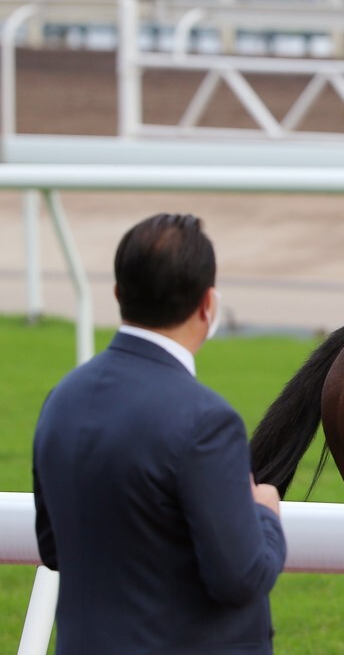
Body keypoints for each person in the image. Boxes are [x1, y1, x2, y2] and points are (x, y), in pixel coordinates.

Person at [32, 213, 287, 653]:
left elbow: (54, 548)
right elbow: (241, 578)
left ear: (117, 294)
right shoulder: (208, 420)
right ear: (208, 305)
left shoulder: (61, 399)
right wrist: (265, 512)